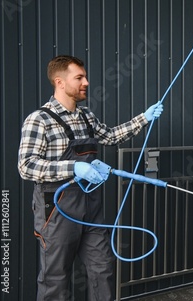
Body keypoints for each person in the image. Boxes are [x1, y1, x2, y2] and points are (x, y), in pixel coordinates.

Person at [17, 55, 163, 301]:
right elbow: (26, 166)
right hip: (57, 208)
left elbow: (111, 136)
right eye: (79, 77)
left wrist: (144, 118)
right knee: (56, 278)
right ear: (59, 82)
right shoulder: (39, 120)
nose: (86, 81)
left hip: (90, 206)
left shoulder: (86, 117)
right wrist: (74, 167)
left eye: (85, 76)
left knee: (102, 268)